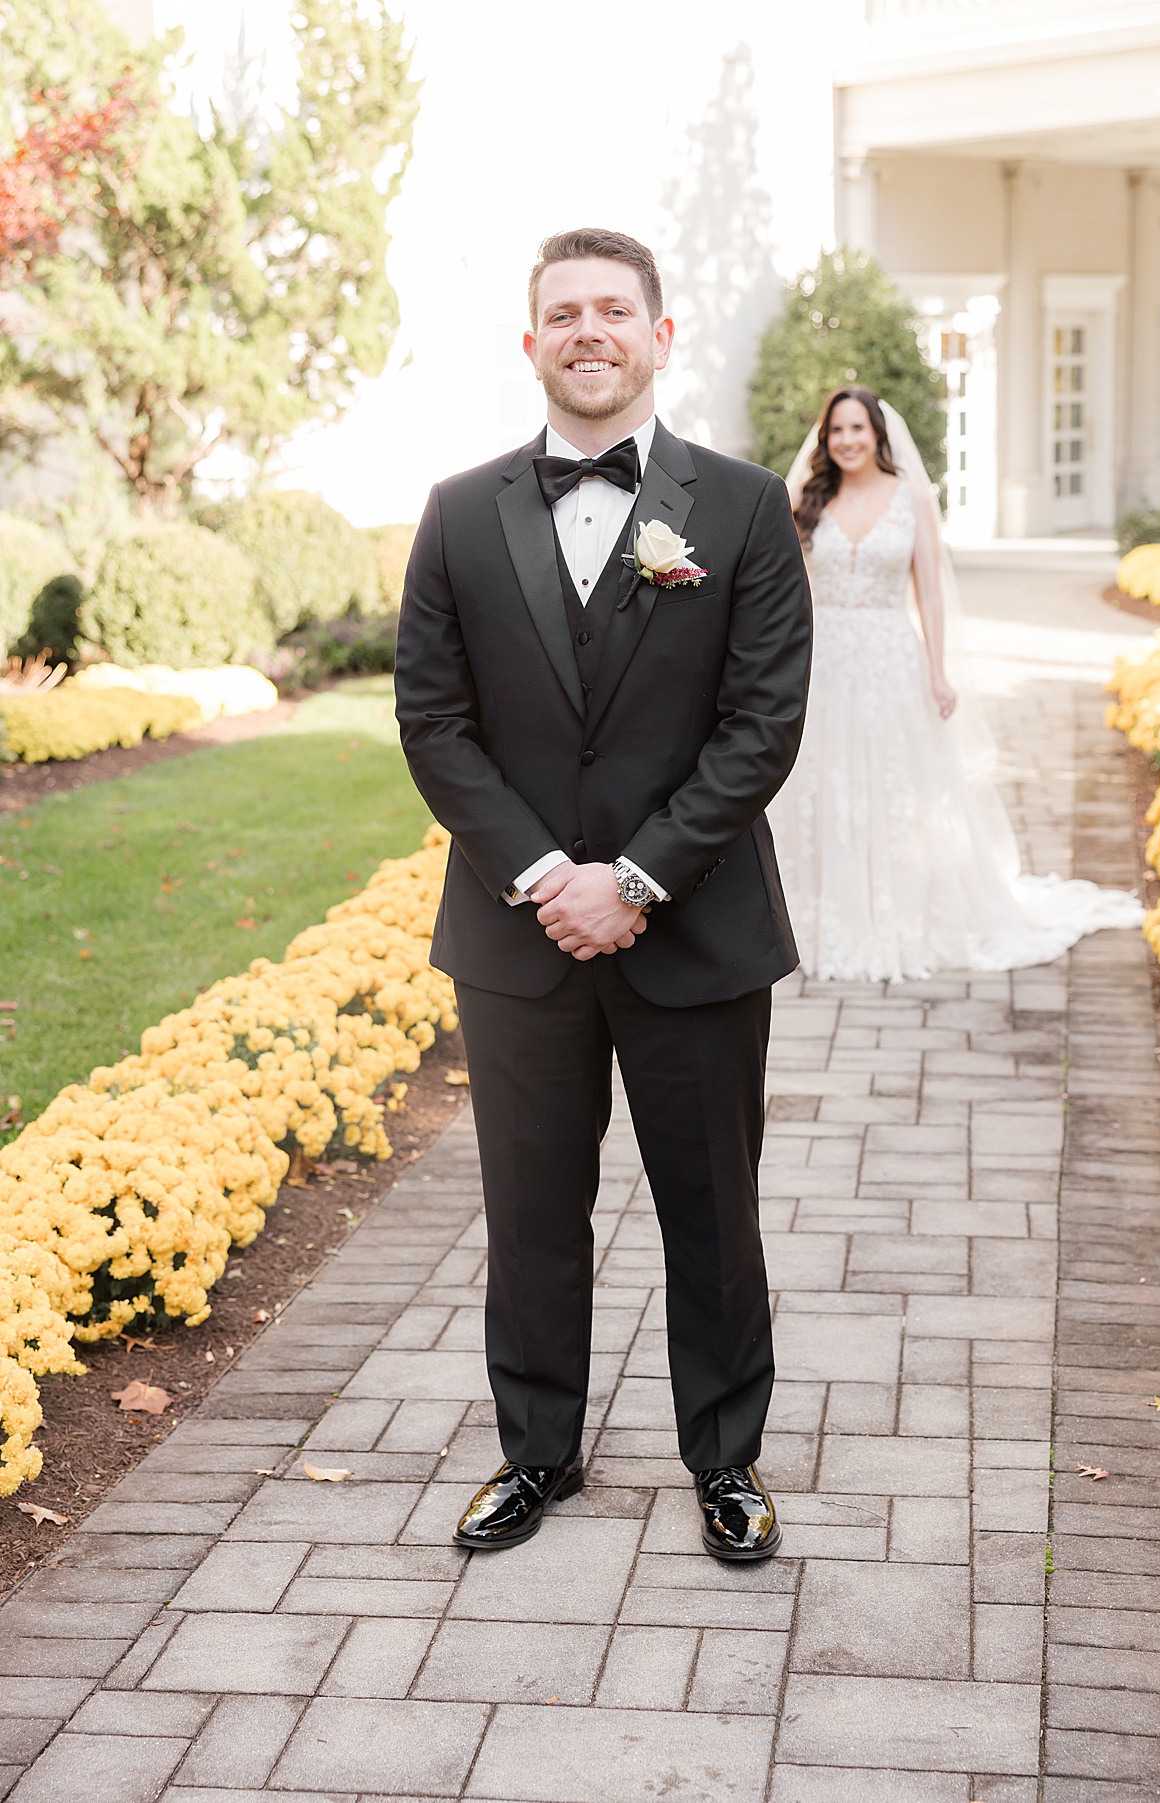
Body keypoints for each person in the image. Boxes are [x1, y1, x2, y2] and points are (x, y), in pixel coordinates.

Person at [395, 227, 809, 1562]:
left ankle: (728, 1459)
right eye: (562, 313)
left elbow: (760, 723)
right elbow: (434, 720)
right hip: (516, 938)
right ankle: (535, 1451)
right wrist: (542, 875)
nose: (588, 330)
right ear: (531, 345)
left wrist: (633, 877)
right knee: (527, 1210)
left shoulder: (743, 507)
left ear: (659, 335)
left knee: (713, 1210)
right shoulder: (459, 510)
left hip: (693, 926)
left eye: (612, 310)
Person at [767, 385, 1143, 981]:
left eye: (857, 429)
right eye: (836, 430)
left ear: (878, 435)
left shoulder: (910, 496)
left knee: (896, 785)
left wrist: (938, 671)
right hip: (822, 660)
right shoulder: (804, 499)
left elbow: (931, 590)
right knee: (821, 782)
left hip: (892, 657)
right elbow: (778, 586)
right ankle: (812, 913)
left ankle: (897, 913)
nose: (846, 441)